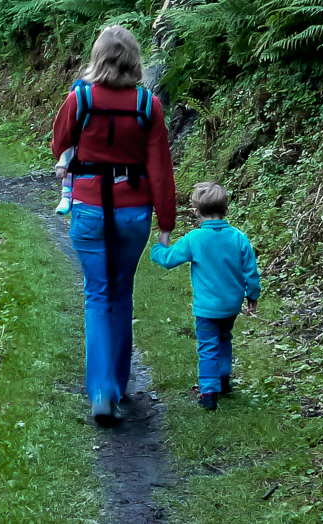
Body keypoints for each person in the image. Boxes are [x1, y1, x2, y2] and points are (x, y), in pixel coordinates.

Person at [51, 25, 177, 426]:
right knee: (122, 293)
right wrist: (167, 222)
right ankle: (118, 386)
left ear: (97, 57)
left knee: (97, 295)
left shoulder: (80, 97)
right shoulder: (147, 104)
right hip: (134, 214)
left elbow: (58, 144)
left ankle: (102, 390)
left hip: (89, 209)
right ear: (134, 59)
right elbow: (160, 167)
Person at [150, 182, 262, 411]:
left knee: (208, 346)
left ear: (196, 211)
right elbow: (250, 271)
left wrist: (158, 247)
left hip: (207, 309)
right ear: (227, 210)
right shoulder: (239, 238)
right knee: (224, 338)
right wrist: (252, 295)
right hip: (231, 306)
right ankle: (223, 380)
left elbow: (168, 259)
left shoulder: (194, 239)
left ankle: (209, 392)